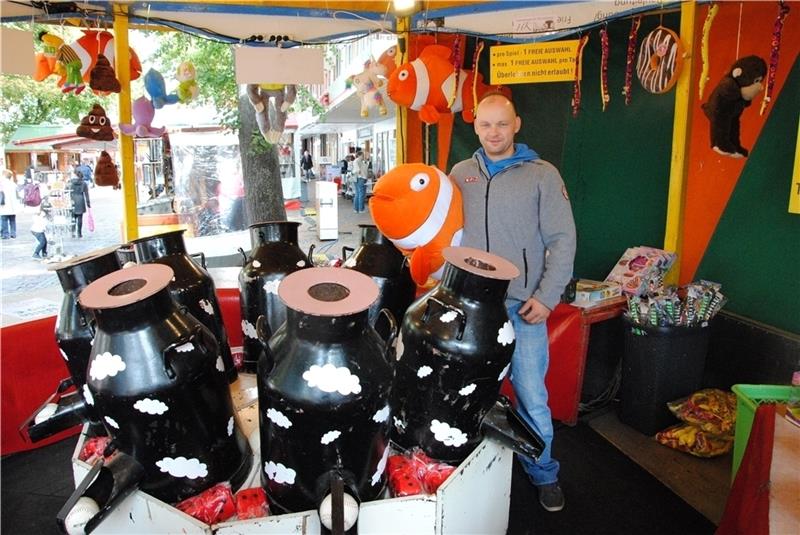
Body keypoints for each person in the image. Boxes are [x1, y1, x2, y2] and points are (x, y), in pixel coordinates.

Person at [449, 92, 577, 513]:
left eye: (501, 124)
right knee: (460, 392)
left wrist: (546, 297)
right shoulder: (460, 172)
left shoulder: (542, 174)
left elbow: (562, 240)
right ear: (475, 126)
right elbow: (445, 233)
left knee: (531, 397)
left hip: (523, 308)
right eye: (485, 125)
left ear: (516, 124)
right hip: (470, 307)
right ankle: (455, 469)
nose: (493, 133)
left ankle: (545, 475)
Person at [69, 170, 91, 238]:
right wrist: (88, 203)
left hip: (72, 200)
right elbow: (86, 194)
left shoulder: (71, 183)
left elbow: (67, 191)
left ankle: (72, 232)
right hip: (80, 200)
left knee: (73, 218)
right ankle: (79, 233)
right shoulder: (84, 183)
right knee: (80, 218)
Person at [1, 169, 20, 239]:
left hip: (4, 205)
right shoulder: (13, 184)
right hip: (13, 206)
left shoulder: (2, 184)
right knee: (12, 220)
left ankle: (6, 234)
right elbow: (18, 195)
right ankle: (13, 233)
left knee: (4, 220)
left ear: (4, 176)